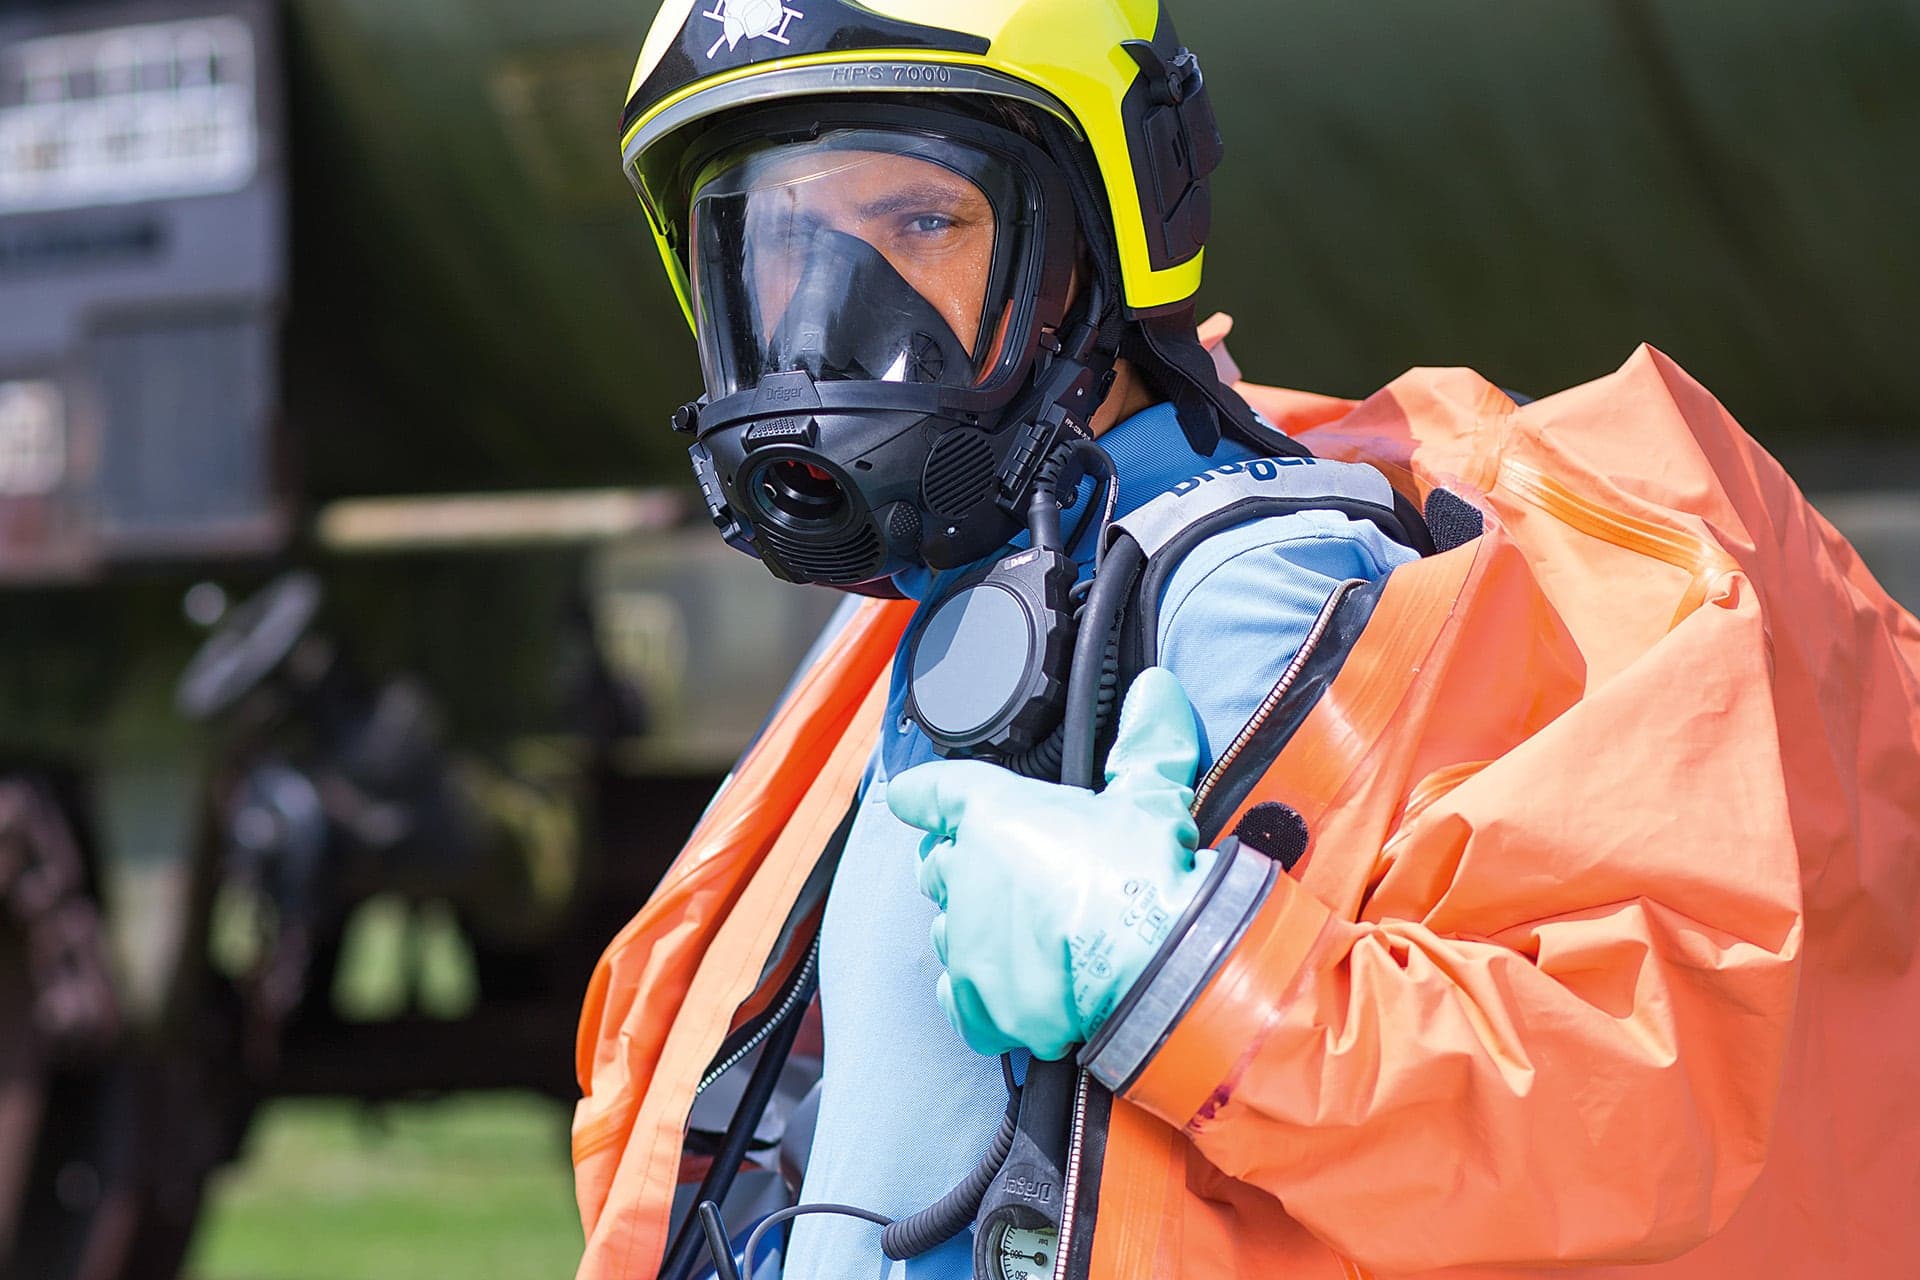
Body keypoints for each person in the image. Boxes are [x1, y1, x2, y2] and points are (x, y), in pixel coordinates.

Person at [573, 2, 1920, 1277]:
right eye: (781, 244)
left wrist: (1168, 960)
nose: (830, 321)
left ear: (1095, 239)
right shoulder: (943, 601)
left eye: (920, 220)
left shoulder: (1259, 591)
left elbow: (1612, 1112)